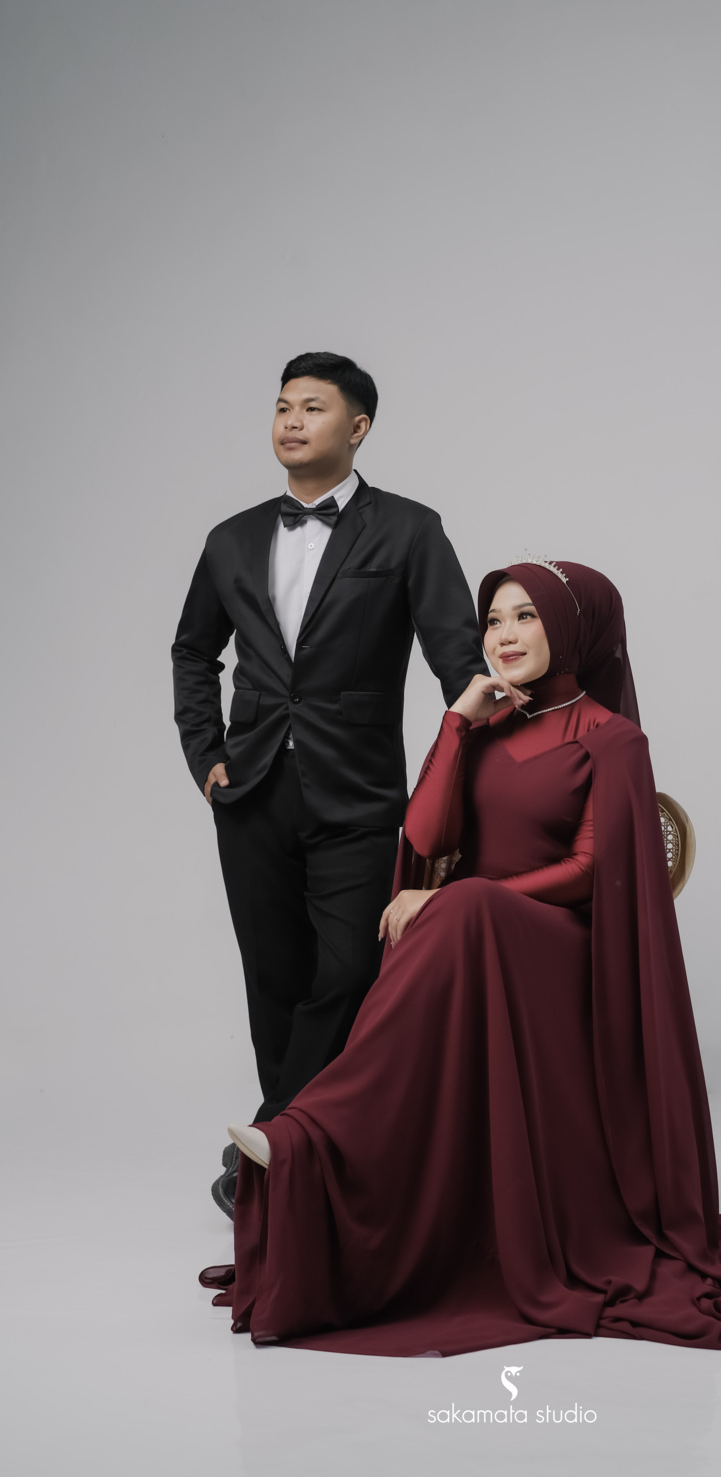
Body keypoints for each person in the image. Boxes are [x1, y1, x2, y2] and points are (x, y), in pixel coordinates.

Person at [201, 558, 721, 1355]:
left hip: (562, 951)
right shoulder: (485, 725)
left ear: (570, 628)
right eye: (493, 620)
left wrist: (460, 896)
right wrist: (456, 724)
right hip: (468, 940)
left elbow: (588, 871)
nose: (503, 636)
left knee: (460, 906)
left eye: (525, 617)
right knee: (453, 912)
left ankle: (309, 1133)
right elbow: (426, 839)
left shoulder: (615, 741)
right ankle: (335, 1153)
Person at [172, 352, 483, 1218]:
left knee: (348, 975)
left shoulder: (410, 530)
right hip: (252, 792)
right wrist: (204, 755)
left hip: (360, 794)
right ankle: (297, 1161)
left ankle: (270, 1146)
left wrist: (494, 736)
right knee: (273, 980)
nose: (292, 421)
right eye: (282, 406)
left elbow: (455, 656)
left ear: (358, 427)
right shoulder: (231, 538)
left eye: (312, 407)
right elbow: (193, 651)